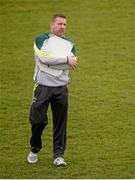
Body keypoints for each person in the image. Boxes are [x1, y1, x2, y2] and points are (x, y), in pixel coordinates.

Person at [27, 14, 77, 166]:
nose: (62, 26)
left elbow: (71, 64)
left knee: (60, 123)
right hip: (42, 88)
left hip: (61, 89)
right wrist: (63, 59)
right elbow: (43, 58)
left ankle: (59, 156)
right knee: (37, 121)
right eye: (60, 23)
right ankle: (35, 147)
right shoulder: (41, 39)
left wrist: (52, 62)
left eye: (65, 24)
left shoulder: (69, 44)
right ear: (52, 24)